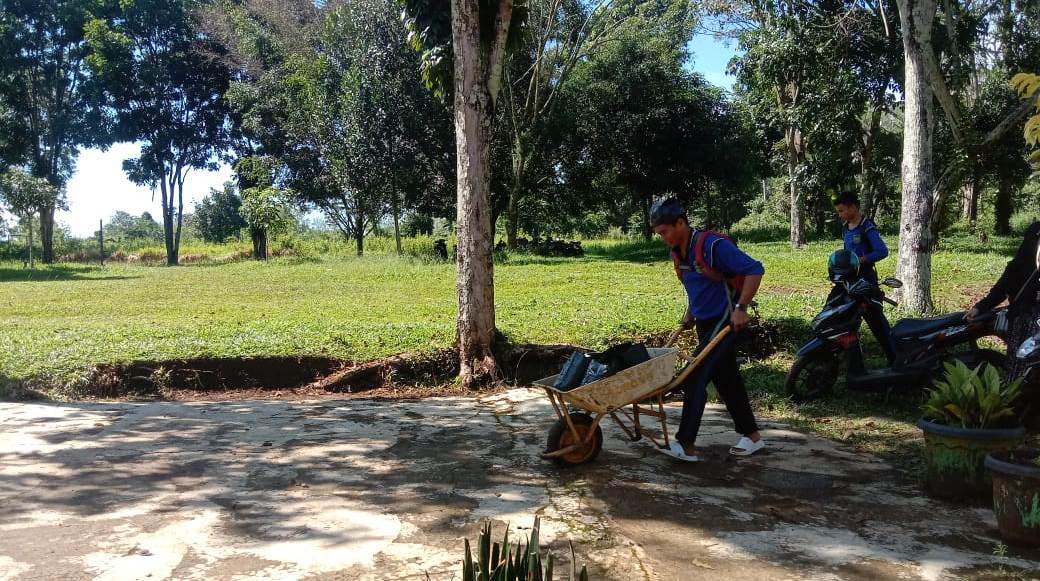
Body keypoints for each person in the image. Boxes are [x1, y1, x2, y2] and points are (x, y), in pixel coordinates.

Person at [650, 197, 765, 462]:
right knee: (727, 380)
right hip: (704, 322)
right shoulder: (678, 253)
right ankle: (752, 437)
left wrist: (741, 307)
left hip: (725, 319)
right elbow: (696, 285)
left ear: (680, 223)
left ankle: (685, 443)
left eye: (664, 231)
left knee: (694, 375)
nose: (662, 237)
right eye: (658, 233)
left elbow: (755, 270)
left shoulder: (713, 245)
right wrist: (690, 313)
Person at [966, 221, 1040, 420]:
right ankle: (1011, 418)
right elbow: (1005, 283)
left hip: (1025, 320)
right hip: (1026, 321)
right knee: (1019, 371)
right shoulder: (1028, 250)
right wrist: (981, 306)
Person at [833, 191, 896, 363]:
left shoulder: (867, 226)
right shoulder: (846, 228)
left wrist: (862, 259)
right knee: (845, 319)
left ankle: (896, 358)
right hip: (849, 281)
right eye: (838, 211)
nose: (840, 215)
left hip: (866, 281)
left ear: (853, 207)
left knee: (877, 322)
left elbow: (882, 251)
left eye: (842, 211)